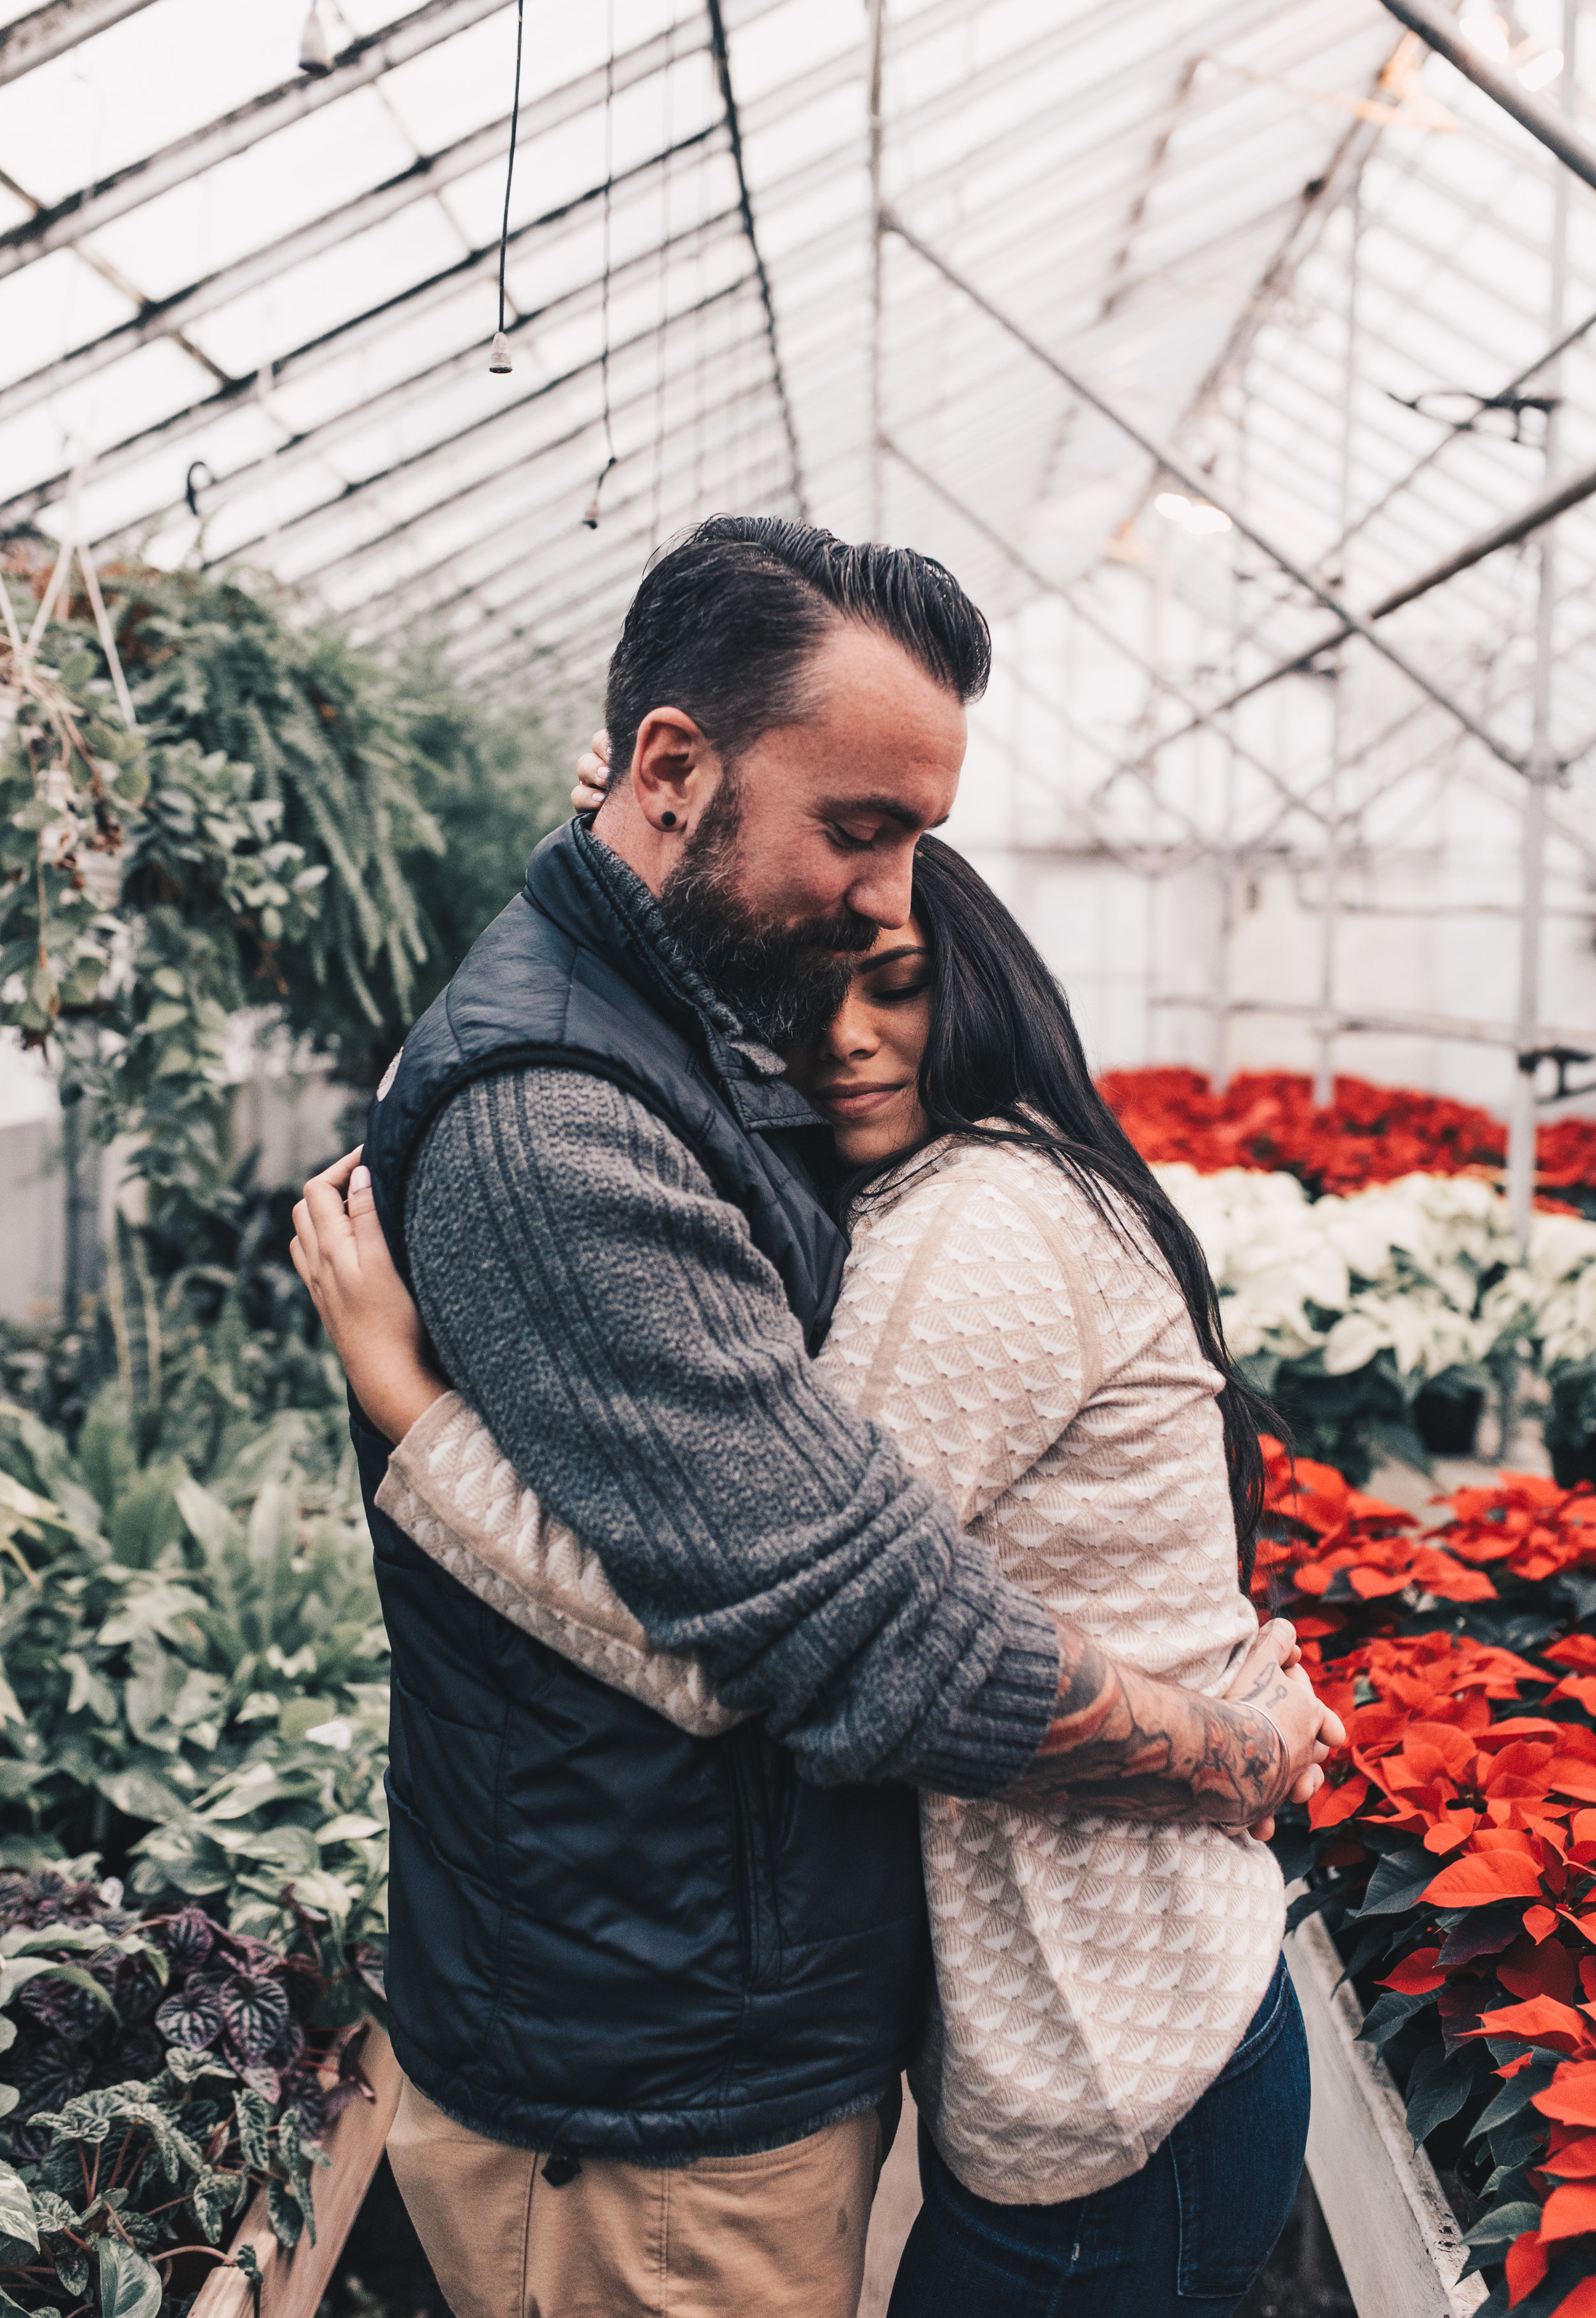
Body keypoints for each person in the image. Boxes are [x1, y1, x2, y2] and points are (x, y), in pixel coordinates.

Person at [294, 518, 1338, 2318]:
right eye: (857, 830)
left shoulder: (712, 1022)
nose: (883, 904)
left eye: (918, 851)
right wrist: (1212, 1742)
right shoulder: (565, 1116)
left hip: (764, 2015)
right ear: (669, 766)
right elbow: (827, 1633)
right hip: (648, 2077)